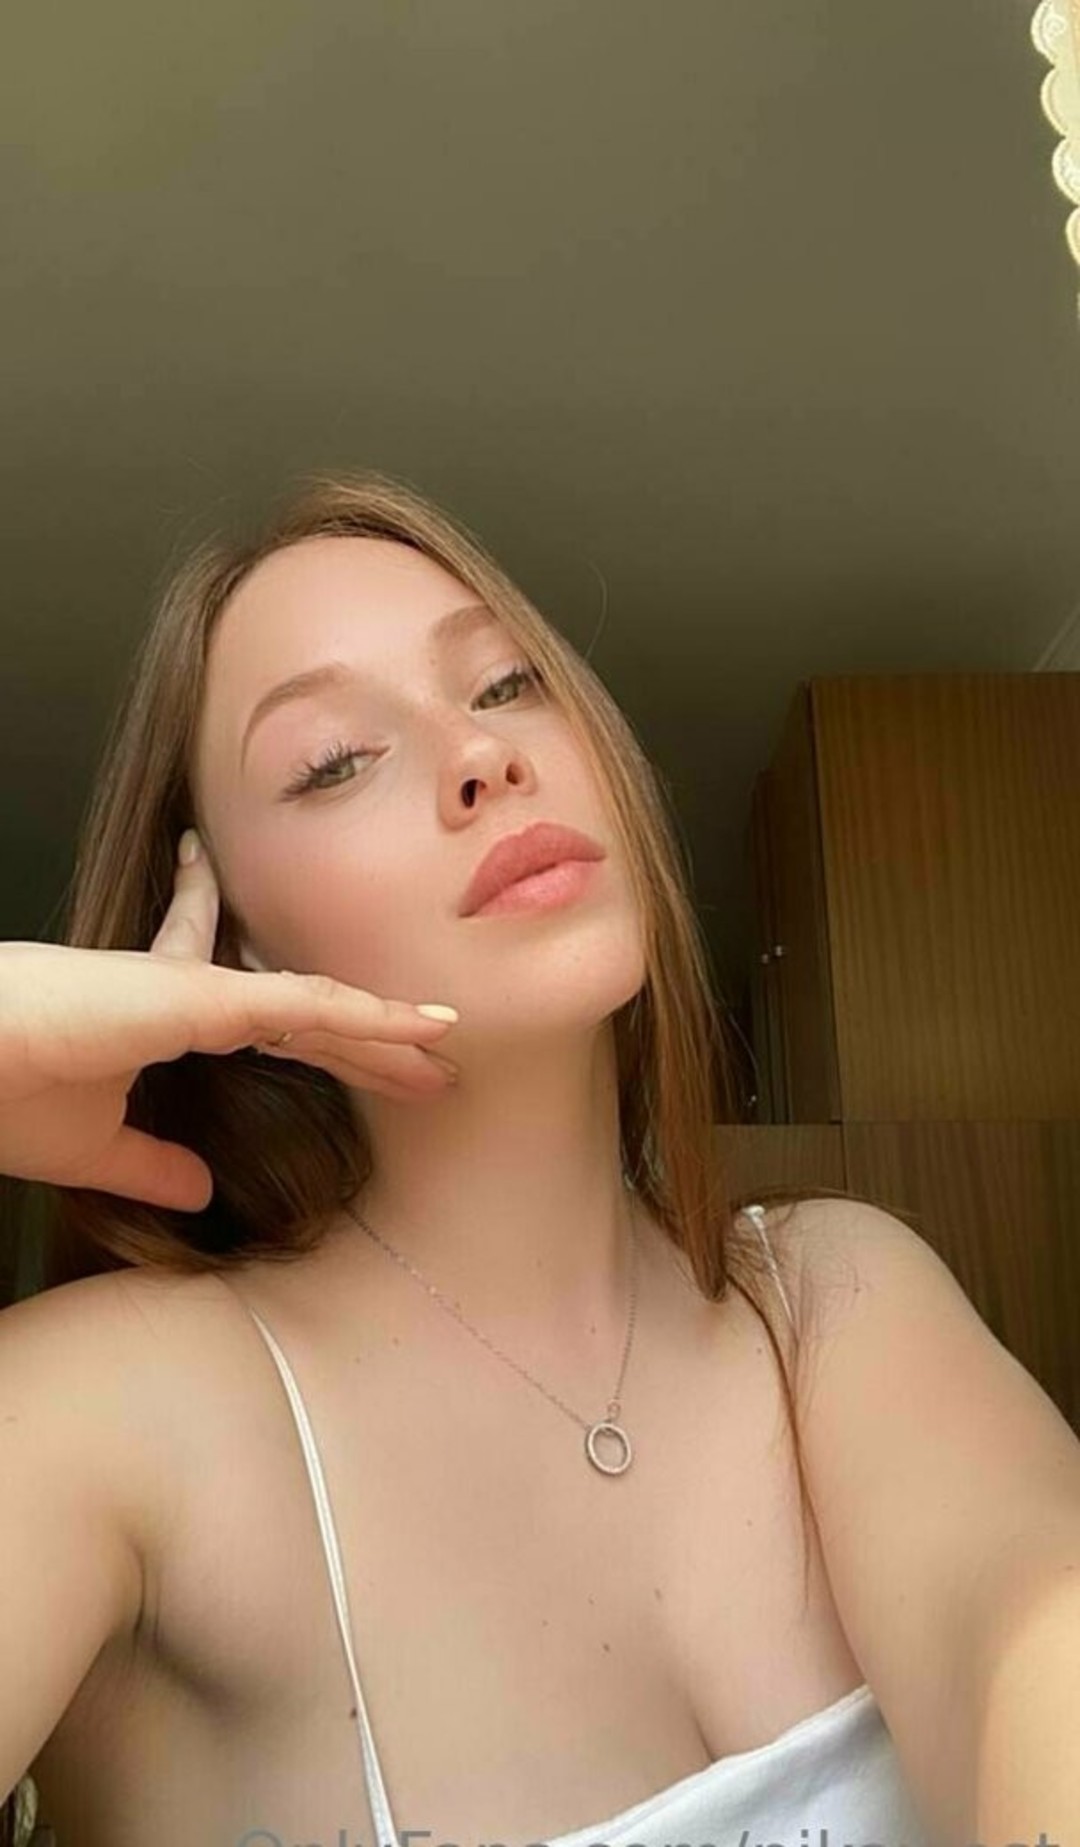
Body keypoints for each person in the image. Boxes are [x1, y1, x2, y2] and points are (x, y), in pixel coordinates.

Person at [0, 473, 1074, 1847]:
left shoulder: (827, 1294)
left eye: (507, 684)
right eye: (335, 759)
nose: (480, 754)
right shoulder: (111, 1411)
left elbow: (1033, 1628)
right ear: (242, 942)